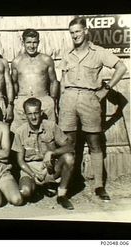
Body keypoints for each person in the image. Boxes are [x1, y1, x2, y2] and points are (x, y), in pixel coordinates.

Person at [59, 17, 127, 201]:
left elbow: (121, 67)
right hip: (69, 100)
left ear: (86, 31)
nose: (75, 36)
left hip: (90, 99)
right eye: (72, 33)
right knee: (69, 144)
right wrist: (62, 101)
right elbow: (63, 82)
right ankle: (70, 182)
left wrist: (106, 89)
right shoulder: (67, 54)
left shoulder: (99, 52)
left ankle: (98, 185)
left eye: (78, 31)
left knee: (95, 143)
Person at [12, 98, 75, 210]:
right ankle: (40, 188)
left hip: (49, 167)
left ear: (41, 112)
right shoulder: (20, 131)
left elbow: (70, 147)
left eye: (36, 113)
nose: (33, 117)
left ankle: (61, 195)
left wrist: (52, 152)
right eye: (29, 114)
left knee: (69, 158)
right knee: (25, 192)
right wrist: (32, 174)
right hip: (30, 169)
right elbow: (20, 161)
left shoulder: (51, 126)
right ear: (25, 115)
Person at [11, 29, 59, 133]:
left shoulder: (46, 60)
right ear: (23, 42)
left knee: (48, 133)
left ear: (38, 42)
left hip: (43, 100)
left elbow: (54, 81)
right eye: (28, 42)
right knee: (18, 133)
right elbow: (14, 83)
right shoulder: (16, 61)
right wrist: (15, 100)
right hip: (22, 100)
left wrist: (53, 100)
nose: (32, 46)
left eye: (34, 42)